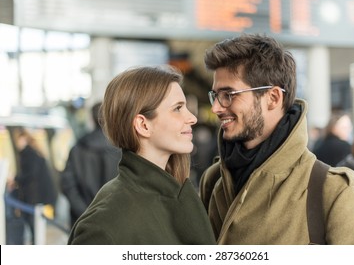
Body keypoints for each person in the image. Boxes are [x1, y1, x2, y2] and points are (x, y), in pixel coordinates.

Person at [199, 33, 354, 245]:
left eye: (229, 94)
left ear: (273, 97)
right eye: (215, 95)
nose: (216, 107)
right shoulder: (212, 181)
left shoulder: (333, 191)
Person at [68, 65, 216, 245]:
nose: (192, 118)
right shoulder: (104, 225)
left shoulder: (177, 192)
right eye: (177, 108)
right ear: (143, 125)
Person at [60, 102, 121, 227]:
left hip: (82, 221)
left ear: (91, 119)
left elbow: (67, 184)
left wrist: (85, 212)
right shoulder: (121, 150)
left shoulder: (78, 148)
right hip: (114, 222)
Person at [7, 127, 57, 244]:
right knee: (36, 229)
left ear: (24, 138)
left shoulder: (28, 154)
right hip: (38, 198)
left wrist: (15, 179)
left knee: (34, 228)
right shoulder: (34, 152)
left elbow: (30, 175)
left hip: (33, 199)